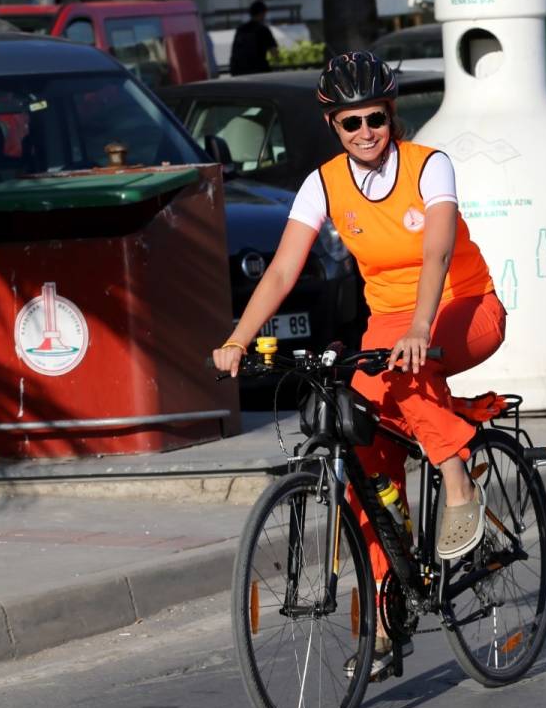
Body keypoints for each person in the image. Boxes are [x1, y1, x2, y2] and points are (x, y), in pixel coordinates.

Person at [212, 51, 506, 675]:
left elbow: (437, 250)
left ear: (392, 114)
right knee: (366, 460)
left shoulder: (430, 166)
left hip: (463, 308)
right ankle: (384, 613)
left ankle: (456, 476)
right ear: (333, 126)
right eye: (351, 123)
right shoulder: (323, 183)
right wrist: (238, 338)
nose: (366, 132)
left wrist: (423, 326)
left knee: (398, 374)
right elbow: (285, 269)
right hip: (390, 329)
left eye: (375, 117)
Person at [229, 0, 277, 76]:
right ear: (262, 13)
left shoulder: (240, 29)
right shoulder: (264, 30)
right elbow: (274, 53)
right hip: (259, 72)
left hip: (240, 73)